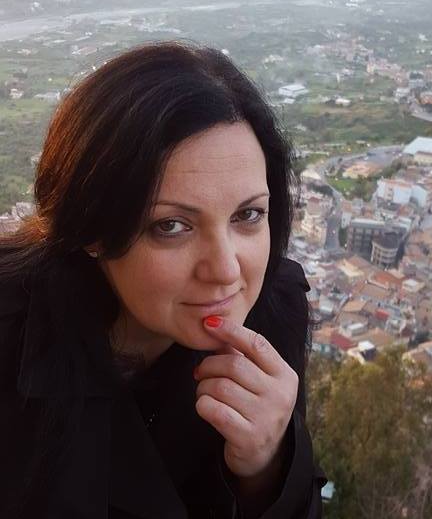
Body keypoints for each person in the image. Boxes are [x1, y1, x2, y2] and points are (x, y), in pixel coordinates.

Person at [0, 40, 328, 518]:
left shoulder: (274, 314)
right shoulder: (12, 334)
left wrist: (268, 468)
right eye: (171, 226)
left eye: (248, 215)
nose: (226, 270)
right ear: (91, 228)